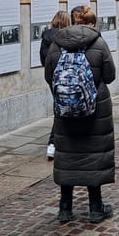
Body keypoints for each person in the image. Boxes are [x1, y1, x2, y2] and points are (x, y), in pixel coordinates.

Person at [44, 5, 116, 224]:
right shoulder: (99, 43)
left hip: (65, 110)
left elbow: (49, 76)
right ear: (91, 22)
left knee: (67, 157)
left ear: (74, 22)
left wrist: (67, 97)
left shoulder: (57, 44)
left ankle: (65, 209)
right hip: (96, 110)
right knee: (94, 156)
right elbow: (110, 75)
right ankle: (95, 209)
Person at [40, 10, 72, 160]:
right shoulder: (66, 36)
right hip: (66, 76)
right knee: (63, 110)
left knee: (60, 108)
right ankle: (53, 143)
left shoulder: (46, 36)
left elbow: (43, 59)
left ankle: (57, 142)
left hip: (52, 77)